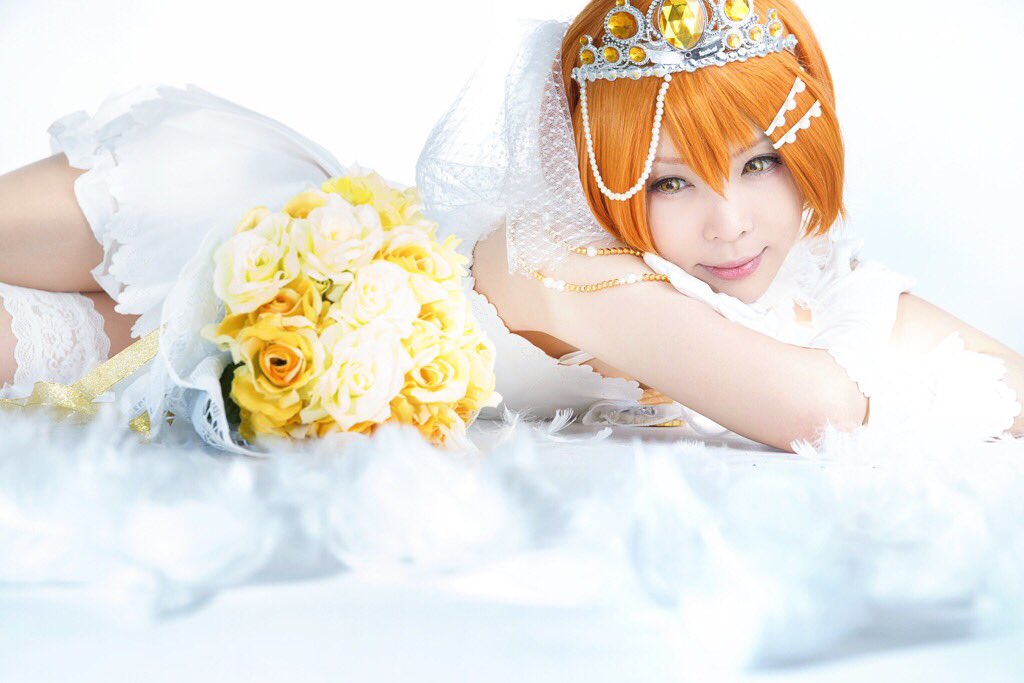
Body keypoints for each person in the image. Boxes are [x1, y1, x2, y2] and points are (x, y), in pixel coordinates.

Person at [0, 0, 1020, 453]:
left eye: (759, 163)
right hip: (236, 219)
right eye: (668, 183)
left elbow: (1001, 377)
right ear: (598, 177)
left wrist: (862, 318)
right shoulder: (574, 260)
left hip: (238, 355)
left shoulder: (797, 275)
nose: (729, 222)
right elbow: (814, 408)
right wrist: (865, 344)